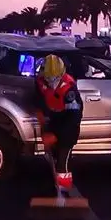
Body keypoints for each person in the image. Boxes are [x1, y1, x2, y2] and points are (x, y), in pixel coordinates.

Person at [34, 54, 84, 192]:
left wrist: (55, 135)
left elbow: (73, 118)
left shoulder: (69, 90)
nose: (50, 81)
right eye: (47, 77)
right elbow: (38, 97)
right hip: (53, 121)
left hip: (67, 127)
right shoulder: (40, 81)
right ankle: (55, 186)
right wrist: (40, 112)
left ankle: (64, 192)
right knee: (53, 158)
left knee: (62, 162)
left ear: (61, 74)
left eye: (54, 78)